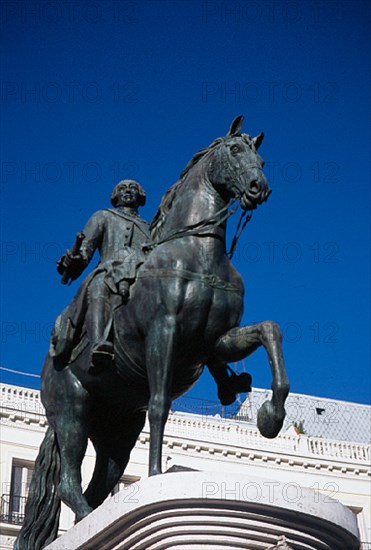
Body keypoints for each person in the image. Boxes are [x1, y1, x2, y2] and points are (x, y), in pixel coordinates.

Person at [50, 179, 150, 373]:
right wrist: (74, 259)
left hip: (142, 274)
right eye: (122, 188)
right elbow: (85, 251)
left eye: (133, 188)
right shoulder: (103, 216)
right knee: (99, 286)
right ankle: (98, 343)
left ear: (141, 196)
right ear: (115, 196)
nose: (128, 191)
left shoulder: (150, 228)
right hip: (110, 270)